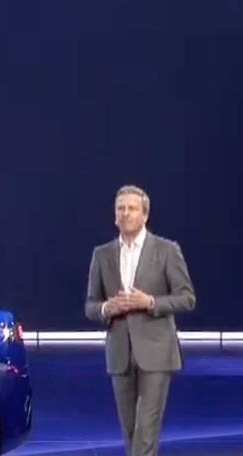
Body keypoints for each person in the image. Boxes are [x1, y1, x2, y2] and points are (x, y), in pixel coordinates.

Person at [85, 185, 196, 456]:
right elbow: (90, 305)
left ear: (145, 215)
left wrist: (150, 302)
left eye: (132, 209)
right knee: (131, 432)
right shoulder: (102, 254)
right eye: (120, 209)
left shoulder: (166, 250)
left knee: (146, 430)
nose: (126, 213)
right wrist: (107, 307)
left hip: (156, 352)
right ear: (114, 216)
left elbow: (187, 298)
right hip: (119, 353)